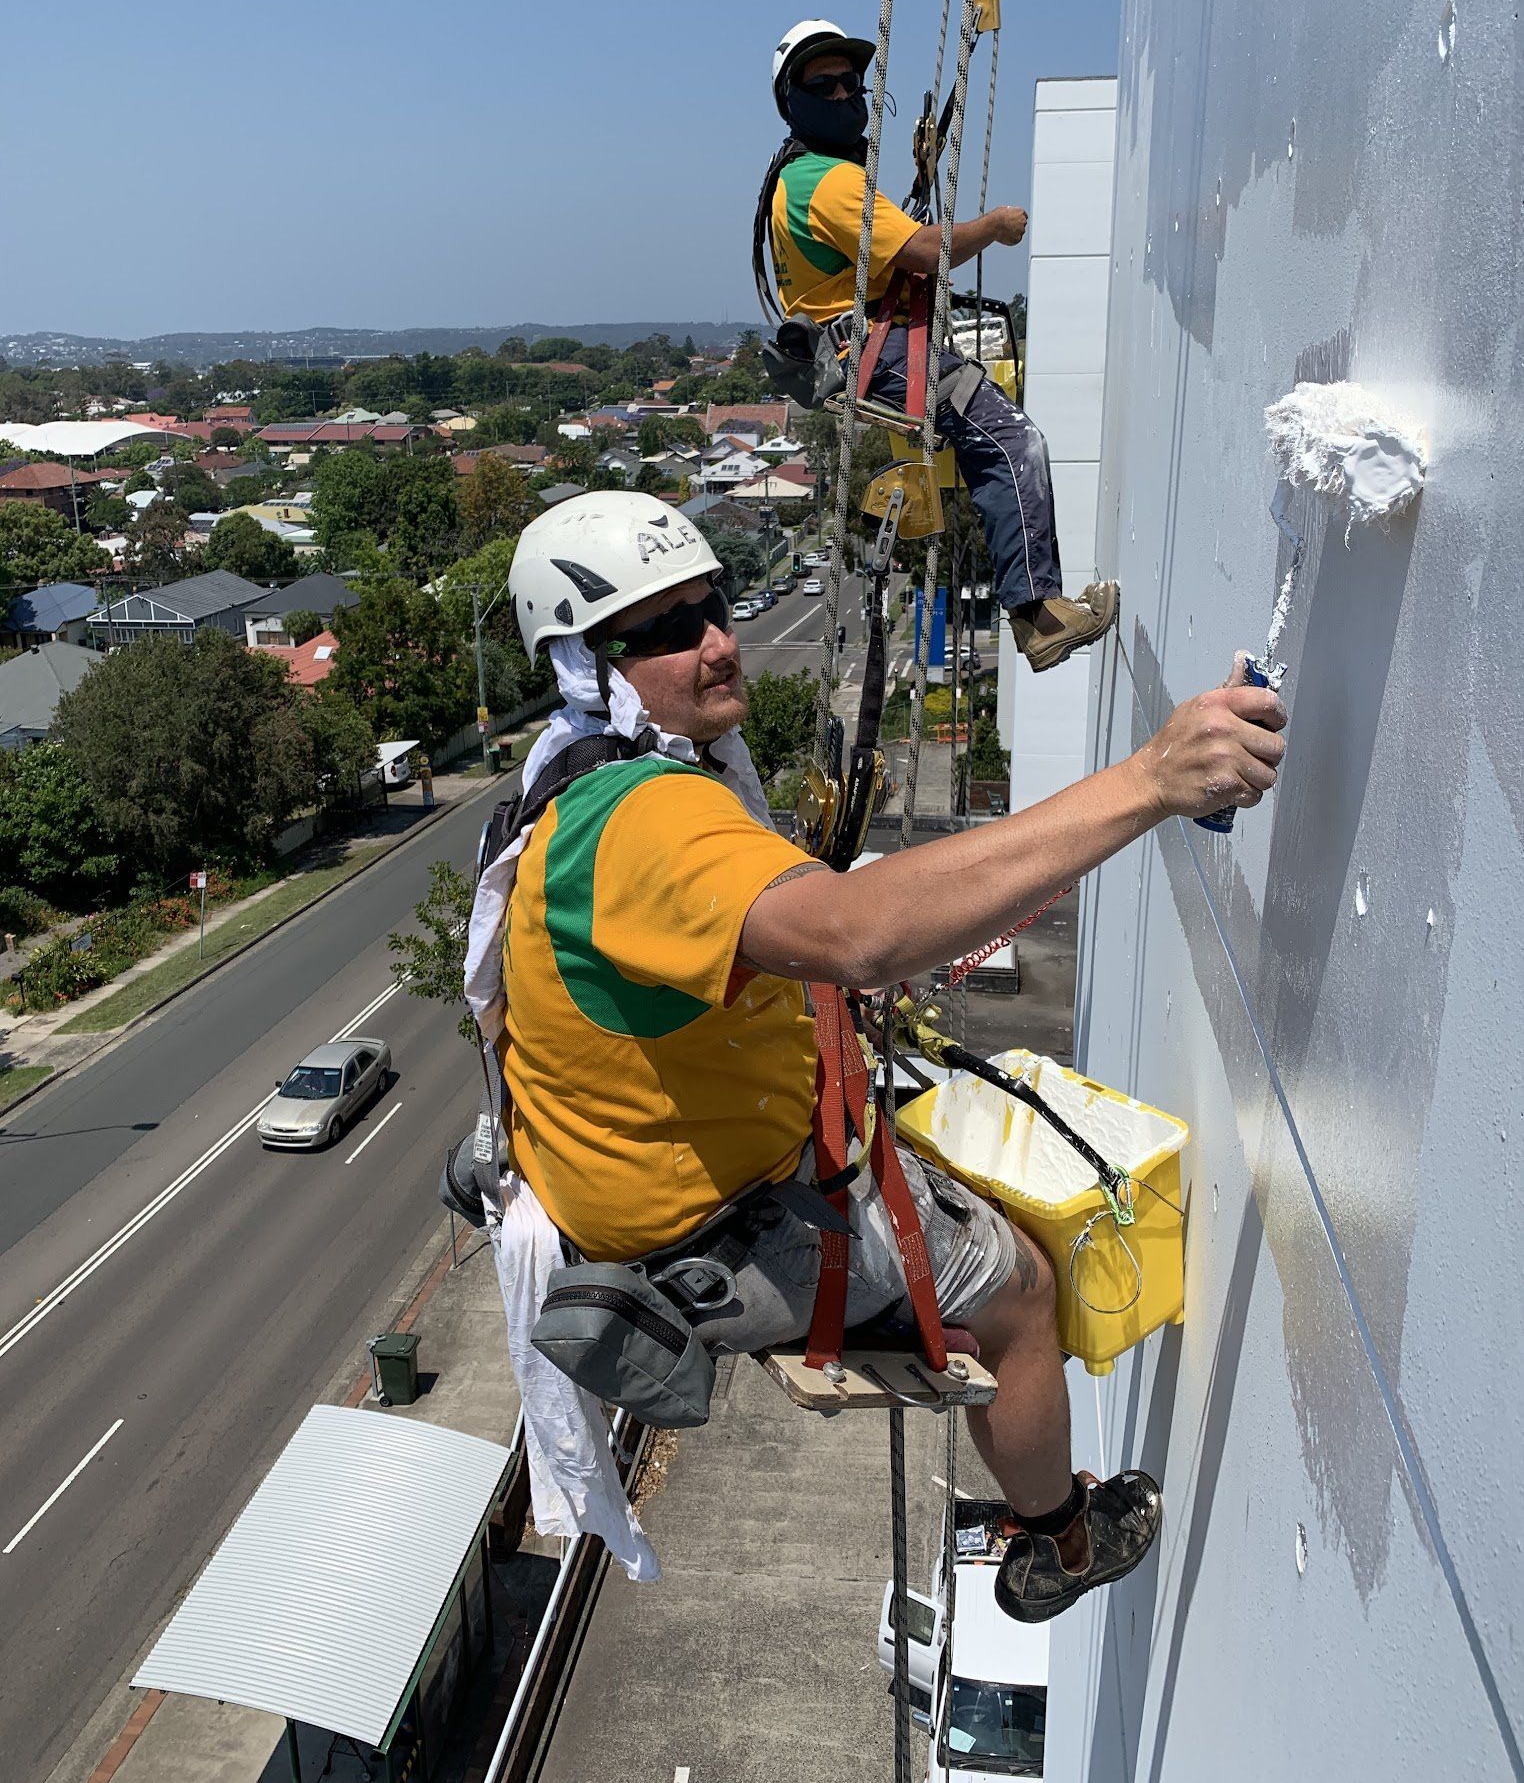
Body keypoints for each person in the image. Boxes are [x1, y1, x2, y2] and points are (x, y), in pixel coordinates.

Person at [481, 493, 1286, 1621]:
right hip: (718, 1226)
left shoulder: (570, 779)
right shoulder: (642, 825)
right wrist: (1149, 781)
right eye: (663, 631)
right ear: (588, 663)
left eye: (711, 608)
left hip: (645, 1174)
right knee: (1015, 1290)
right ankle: (1058, 1533)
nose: (715, 641)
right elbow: (857, 933)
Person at [760, 17, 1117, 674]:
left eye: (851, 83)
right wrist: (998, 227)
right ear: (795, 100)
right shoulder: (828, 182)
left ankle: (1032, 599)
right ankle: (1037, 614)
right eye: (826, 86)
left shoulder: (794, 181)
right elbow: (928, 251)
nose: (845, 96)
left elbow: (875, 259)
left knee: (994, 436)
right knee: (1015, 441)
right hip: (879, 351)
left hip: (853, 351)